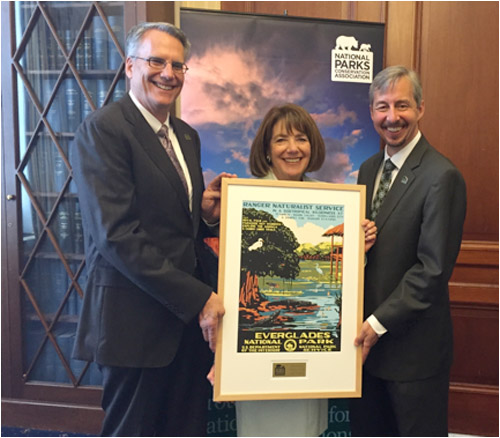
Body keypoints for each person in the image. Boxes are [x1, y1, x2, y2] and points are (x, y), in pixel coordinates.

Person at [70, 22, 231, 436]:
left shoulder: (186, 136)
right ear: (129, 66)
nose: (169, 73)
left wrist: (205, 213)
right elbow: (116, 236)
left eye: (178, 64)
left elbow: (177, 226)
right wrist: (200, 297)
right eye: (156, 61)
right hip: (135, 329)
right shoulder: (104, 129)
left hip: (186, 332)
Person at [234, 103, 377, 437]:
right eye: (281, 139)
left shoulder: (328, 199)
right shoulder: (245, 199)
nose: (293, 148)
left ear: (312, 146)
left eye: (301, 138)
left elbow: (346, 280)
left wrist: (359, 251)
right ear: (266, 149)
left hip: (312, 363)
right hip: (255, 365)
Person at [350, 66, 467, 436]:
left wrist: (377, 323)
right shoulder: (368, 169)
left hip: (413, 354)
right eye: (382, 107)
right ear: (371, 113)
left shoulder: (441, 176)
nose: (392, 117)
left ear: (420, 109)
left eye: (402, 105)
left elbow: (432, 269)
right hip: (367, 351)